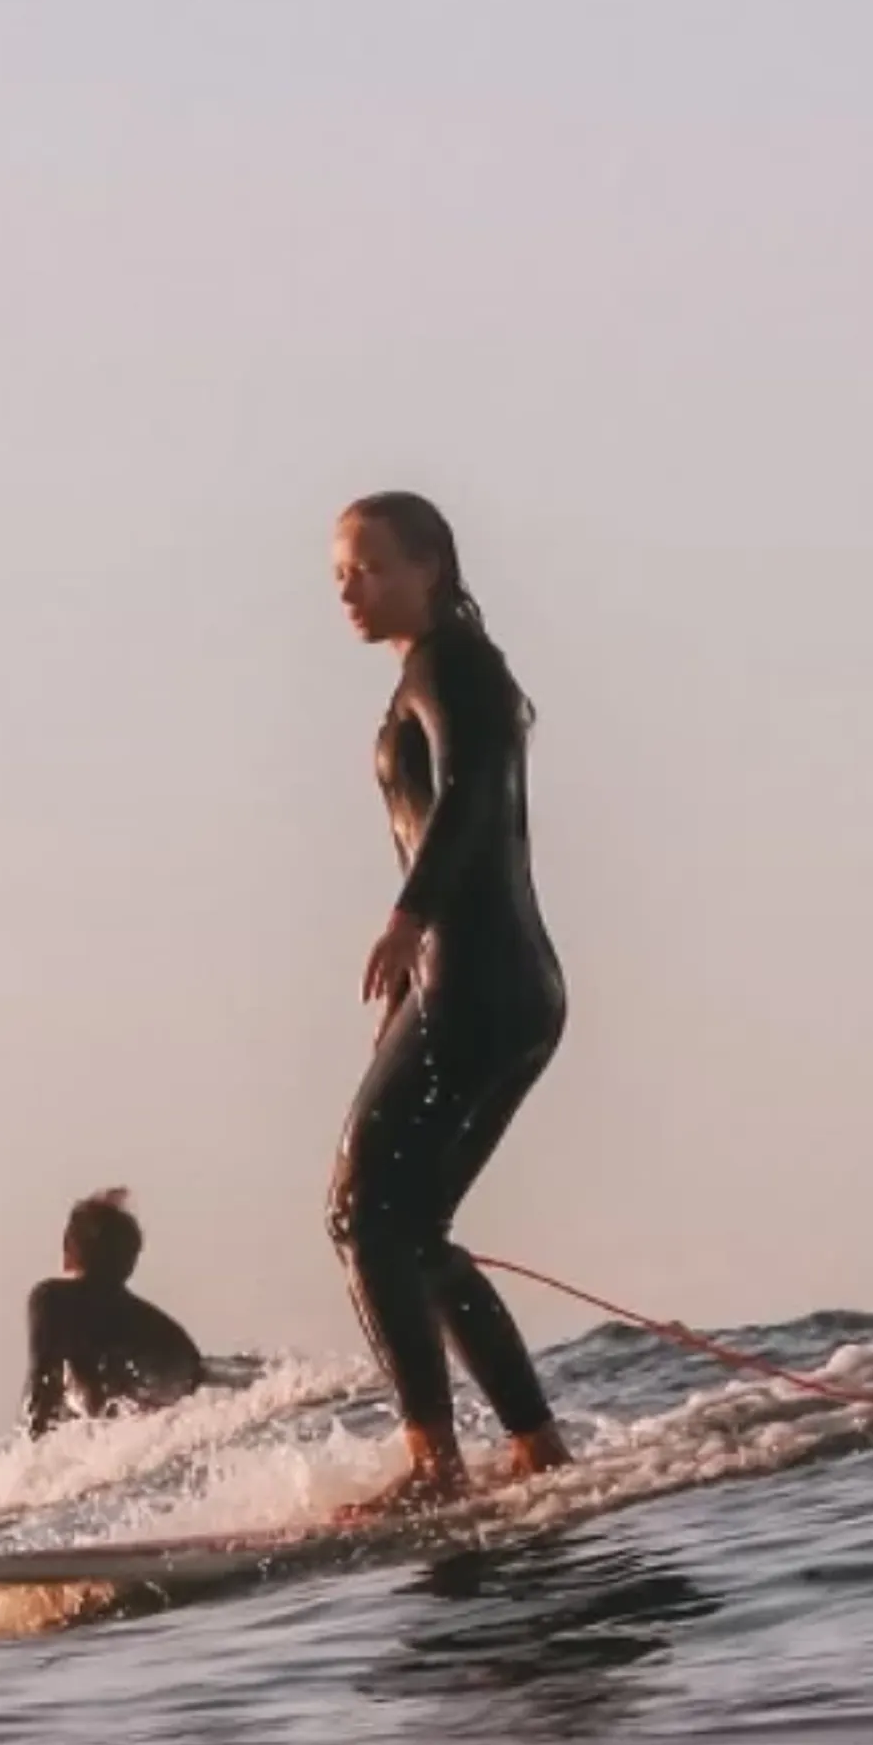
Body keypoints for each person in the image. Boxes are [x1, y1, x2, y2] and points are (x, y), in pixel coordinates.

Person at [325, 491, 573, 1508]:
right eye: (339, 574)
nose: (350, 588)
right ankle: (536, 1448)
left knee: (359, 1215)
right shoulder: (446, 672)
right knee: (411, 1229)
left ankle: (435, 1465)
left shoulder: (453, 666)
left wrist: (409, 916)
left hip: (478, 979)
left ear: (431, 564)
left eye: (370, 567)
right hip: (502, 986)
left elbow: (469, 792)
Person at [24, 1188, 206, 1434]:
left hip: (109, 1448)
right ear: (130, 1261)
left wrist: (35, 1457)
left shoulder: (54, 1300)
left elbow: (44, 1385)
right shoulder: (168, 1333)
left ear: (69, 1246)